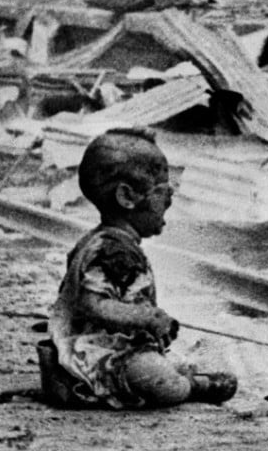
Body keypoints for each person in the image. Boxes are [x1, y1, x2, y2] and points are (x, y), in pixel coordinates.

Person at [38, 127, 237, 409]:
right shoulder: (112, 251)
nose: (170, 199)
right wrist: (146, 318)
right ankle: (194, 387)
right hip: (95, 352)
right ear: (127, 197)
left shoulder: (104, 242)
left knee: (164, 362)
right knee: (161, 381)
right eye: (164, 191)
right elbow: (93, 303)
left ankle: (183, 376)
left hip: (111, 345)